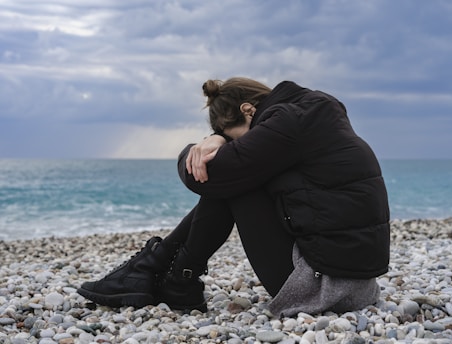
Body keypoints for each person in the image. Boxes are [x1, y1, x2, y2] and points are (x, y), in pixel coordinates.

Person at [77, 77, 390, 317]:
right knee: (239, 177)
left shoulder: (287, 124)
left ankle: (165, 276)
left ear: (248, 110)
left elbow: (210, 176)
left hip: (327, 287)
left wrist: (196, 151)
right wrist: (219, 138)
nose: (236, 144)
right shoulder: (309, 112)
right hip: (356, 281)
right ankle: (167, 276)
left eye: (233, 137)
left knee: (235, 183)